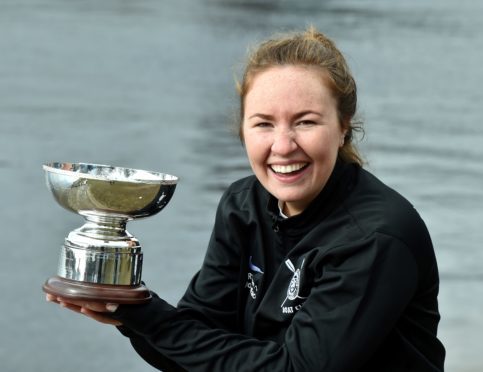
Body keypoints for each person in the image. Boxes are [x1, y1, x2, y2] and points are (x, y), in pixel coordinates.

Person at [47, 27, 446, 371]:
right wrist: (127, 310)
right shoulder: (244, 205)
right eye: (263, 124)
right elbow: (194, 348)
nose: (283, 146)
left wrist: (148, 317)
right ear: (243, 130)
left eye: (306, 122)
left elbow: (296, 369)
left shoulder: (376, 236)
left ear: (343, 127)